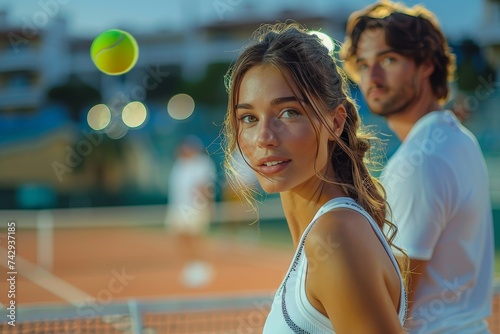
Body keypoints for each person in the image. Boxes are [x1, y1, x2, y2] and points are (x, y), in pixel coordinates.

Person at [222, 22, 407, 333]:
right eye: (249, 118)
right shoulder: (323, 236)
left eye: (289, 112)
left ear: (335, 122)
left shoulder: (336, 237)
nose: (264, 137)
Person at [341, 1, 494, 332]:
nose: (373, 77)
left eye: (389, 60)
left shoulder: (420, 160)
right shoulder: (457, 137)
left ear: (426, 64)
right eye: (364, 65)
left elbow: (391, 301)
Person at [165, 135, 217, 288]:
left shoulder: (202, 164)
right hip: (177, 208)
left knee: (196, 238)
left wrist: (208, 206)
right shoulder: (179, 164)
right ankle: (189, 266)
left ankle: (202, 267)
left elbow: (206, 188)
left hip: (195, 209)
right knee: (181, 238)